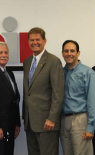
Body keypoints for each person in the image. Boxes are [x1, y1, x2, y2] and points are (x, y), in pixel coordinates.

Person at [23, 27, 65, 155]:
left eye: (38, 39)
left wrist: (52, 118)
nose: (34, 42)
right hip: (30, 122)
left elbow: (58, 92)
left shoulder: (53, 61)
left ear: (44, 41)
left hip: (47, 122)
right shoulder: (27, 62)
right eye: (32, 40)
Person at [60, 40, 95, 155]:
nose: (69, 54)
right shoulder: (60, 73)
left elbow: (93, 101)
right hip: (63, 121)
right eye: (66, 51)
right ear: (62, 53)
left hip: (80, 120)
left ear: (78, 53)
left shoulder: (88, 73)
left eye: (72, 51)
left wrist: (91, 127)